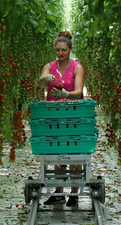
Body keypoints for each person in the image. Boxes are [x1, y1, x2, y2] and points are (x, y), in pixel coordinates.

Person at [35, 30, 86, 206]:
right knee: (56, 150)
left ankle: (74, 192)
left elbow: (79, 92)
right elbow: (41, 81)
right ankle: (58, 192)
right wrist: (45, 79)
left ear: (70, 49)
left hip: (72, 115)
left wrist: (66, 94)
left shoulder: (77, 67)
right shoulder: (49, 66)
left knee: (74, 151)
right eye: (57, 50)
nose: (60, 53)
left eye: (63, 50)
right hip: (54, 115)